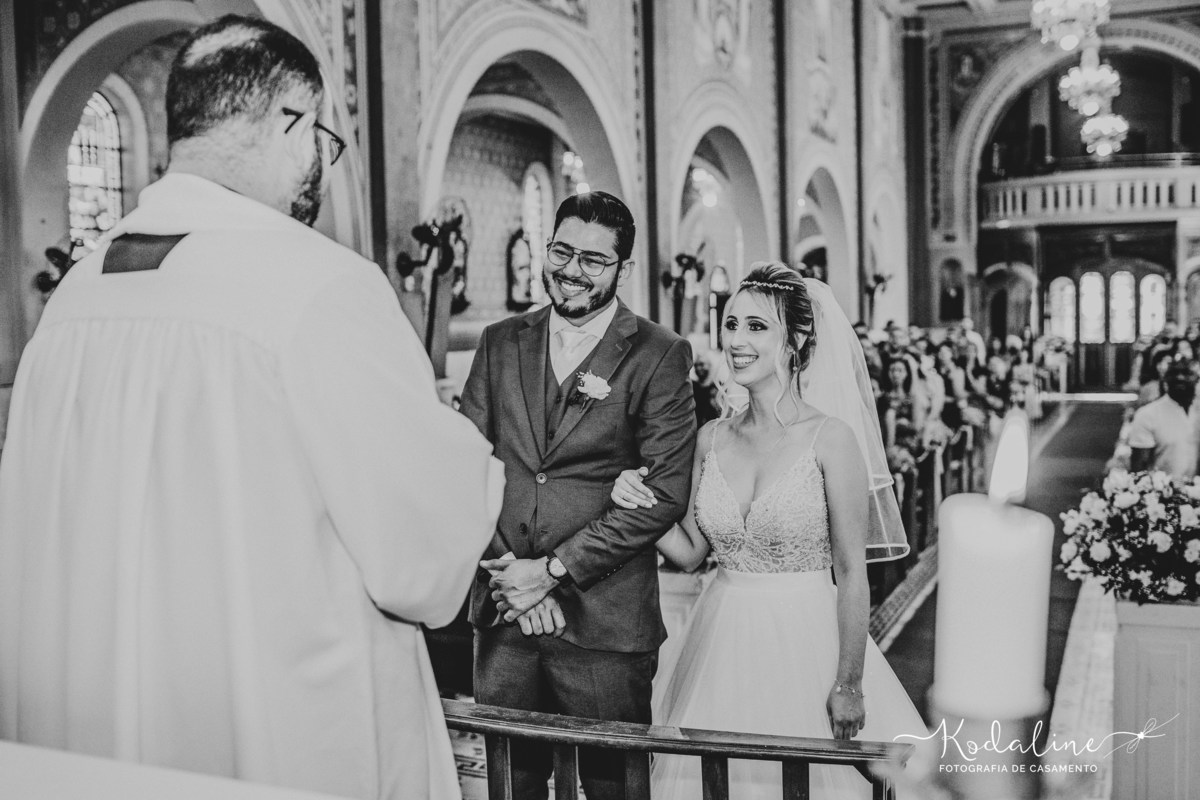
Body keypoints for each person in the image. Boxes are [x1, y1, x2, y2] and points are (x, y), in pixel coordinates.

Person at [0, 16, 504, 800]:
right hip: (281, 739)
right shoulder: (320, 285)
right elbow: (422, 557)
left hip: (97, 735)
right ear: (291, 121)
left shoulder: (72, 301)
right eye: (323, 140)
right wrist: (472, 462)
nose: (321, 165)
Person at [613, 262, 922, 799]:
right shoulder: (711, 438)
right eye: (731, 324)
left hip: (806, 639)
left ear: (795, 340)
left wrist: (849, 681)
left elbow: (852, 572)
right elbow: (690, 553)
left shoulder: (831, 439)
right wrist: (638, 505)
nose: (736, 340)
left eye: (756, 326)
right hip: (720, 639)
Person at [459, 190, 696, 800]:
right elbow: (464, 465)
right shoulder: (499, 341)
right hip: (506, 613)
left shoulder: (659, 353)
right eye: (562, 251)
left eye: (593, 259)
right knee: (512, 785)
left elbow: (665, 492)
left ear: (623, 267)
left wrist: (552, 572)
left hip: (604, 624)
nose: (571, 270)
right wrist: (511, 575)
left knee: (613, 787)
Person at [1129, 360, 1200, 480]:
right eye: (1174, 373)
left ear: (1197, 378)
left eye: (1186, 373)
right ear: (1165, 378)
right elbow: (1138, 471)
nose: (1180, 377)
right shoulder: (1147, 414)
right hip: (1164, 490)